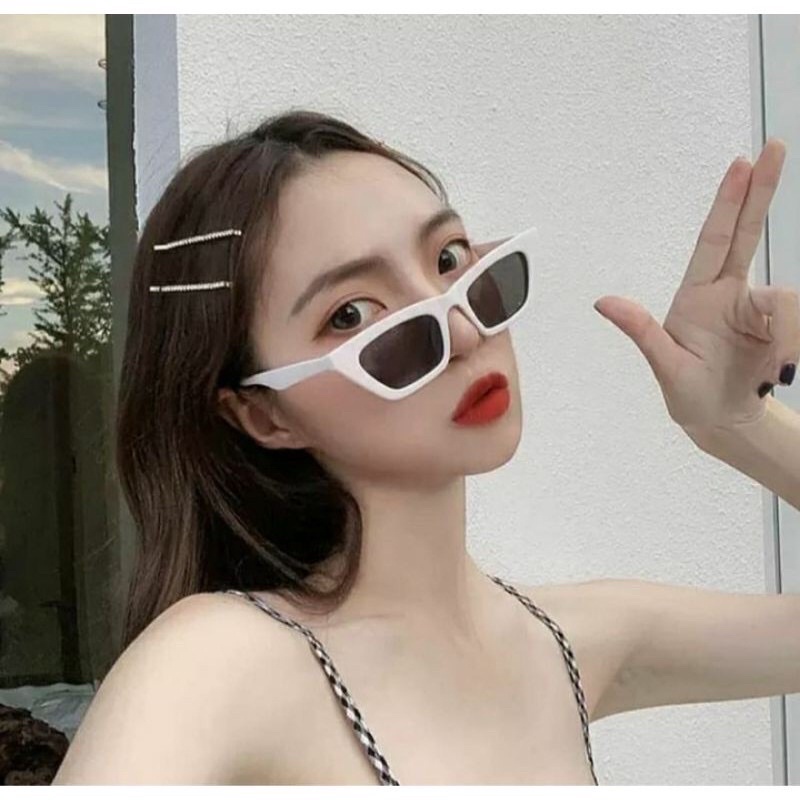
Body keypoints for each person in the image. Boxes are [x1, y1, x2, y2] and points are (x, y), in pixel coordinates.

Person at [50, 109, 800, 786]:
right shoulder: (216, 664)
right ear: (263, 414)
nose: (464, 331)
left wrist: (737, 425)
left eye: (448, 260)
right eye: (353, 314)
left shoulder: (567, 642)